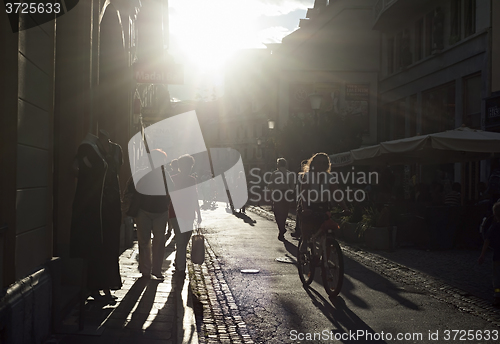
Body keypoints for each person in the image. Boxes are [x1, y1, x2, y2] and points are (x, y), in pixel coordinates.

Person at [70, 129, 122, 300]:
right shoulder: (87, 148)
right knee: (95, 249)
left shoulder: (112, 149)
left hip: (108, 207)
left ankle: (104, 286)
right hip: (94, 209)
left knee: (107, 248)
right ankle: (94, 287)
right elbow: (83, 171)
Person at [133, 149, 173, 280]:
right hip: (145, 211)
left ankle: (154, 270)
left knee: (156, 241)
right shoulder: (143, 173)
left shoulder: (165, 174)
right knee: (147, 241)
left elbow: (172, 190)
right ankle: (147, 271)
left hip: (159, 212)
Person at [299, 153, 350, 243]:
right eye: (319, 163)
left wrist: (345, 208)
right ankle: (304, 241)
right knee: (306, 222)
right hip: (308, 204)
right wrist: (305, 208)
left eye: (324, 163)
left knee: (326, 227)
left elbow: (336, 195)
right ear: (313, 164)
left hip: (323, 205)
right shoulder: (307, 176)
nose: (321, 165)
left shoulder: (330, 177)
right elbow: (304, 194)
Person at [169, 154, 202, 278]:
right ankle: (181, 269)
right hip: (176, 214)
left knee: (185, 240)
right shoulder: (173, 179)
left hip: (189, 214)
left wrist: (198, 213)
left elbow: (195, 196)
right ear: (180, 166)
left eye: (189, 166)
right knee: (181, 241)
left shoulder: (192, 179)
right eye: (186, 165)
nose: (188, 168)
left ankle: (178, 262)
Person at [477, 202, 500, 307]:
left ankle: (497, 295)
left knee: (496, 277)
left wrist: (482, 254)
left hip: (498, 256)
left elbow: (487, 240)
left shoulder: (494, 226)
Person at [270, 158, 295, 241]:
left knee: (277, 213)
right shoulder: (289, 174)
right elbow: (293, 187)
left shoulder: (274, 173)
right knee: (284, 213)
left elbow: (270, 185)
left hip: (277, 194)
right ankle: (282, 227)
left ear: (278, 164)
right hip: (287, 194)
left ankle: (281, 229)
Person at [292, 160, 308, 239]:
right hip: (302, 197)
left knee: (299, 216)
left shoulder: (301, 175)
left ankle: (298, 231)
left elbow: (298, 187)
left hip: (300, 197)